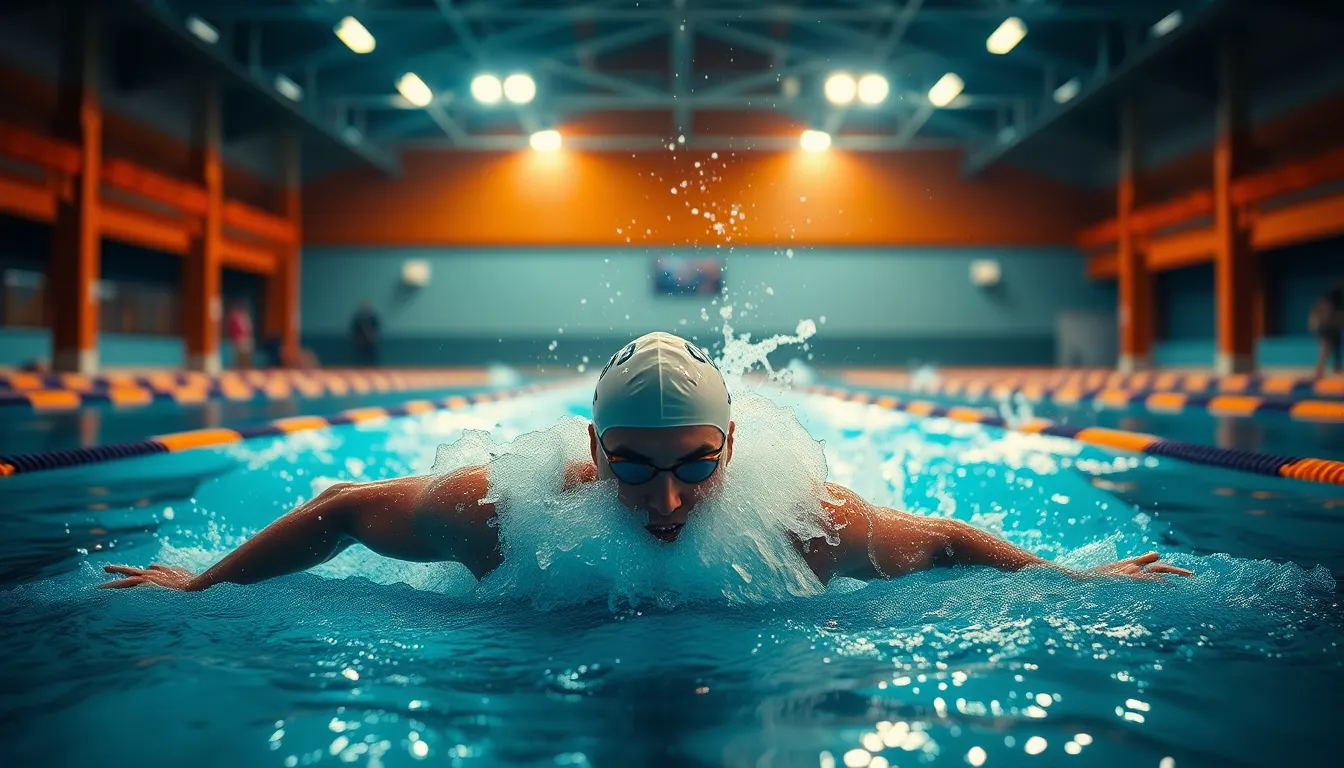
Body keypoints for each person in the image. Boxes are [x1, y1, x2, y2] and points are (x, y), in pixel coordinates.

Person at [101, 332, 1191, 593]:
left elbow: (948, 539)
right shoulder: (498, 512)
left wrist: (1073, 579)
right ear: (589, 450)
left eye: (692, 466)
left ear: (733, 447)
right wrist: (198, 586)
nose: (663, 497)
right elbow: (339, 507)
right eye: (631, 467)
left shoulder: (796, 519)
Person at [1309, 285, 1344, 379]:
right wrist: (1313, 325)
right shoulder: (1324, 303)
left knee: (1335, 351)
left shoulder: (1338, 305)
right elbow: (1315, 316)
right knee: (1324, 351)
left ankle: (1336, 370)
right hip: (1326, 329)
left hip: (1334, 329)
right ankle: (1320, 372)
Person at [225, 300, 254, 371]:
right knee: (237, 359)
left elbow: (248, 329)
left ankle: (246, 369)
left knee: (245, 359)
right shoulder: (234, 318)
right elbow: (232, 330)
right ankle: (238, 370)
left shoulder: (245, 317)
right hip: (237, 341)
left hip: (245, 340)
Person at [350, 302, 381, 367]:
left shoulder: (373, 320)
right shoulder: (357, 320)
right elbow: (354, 333)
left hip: (371, 346)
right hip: (360, 347)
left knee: (372, 365)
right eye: (363, 308)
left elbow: (376, 333)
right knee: (359, 365)